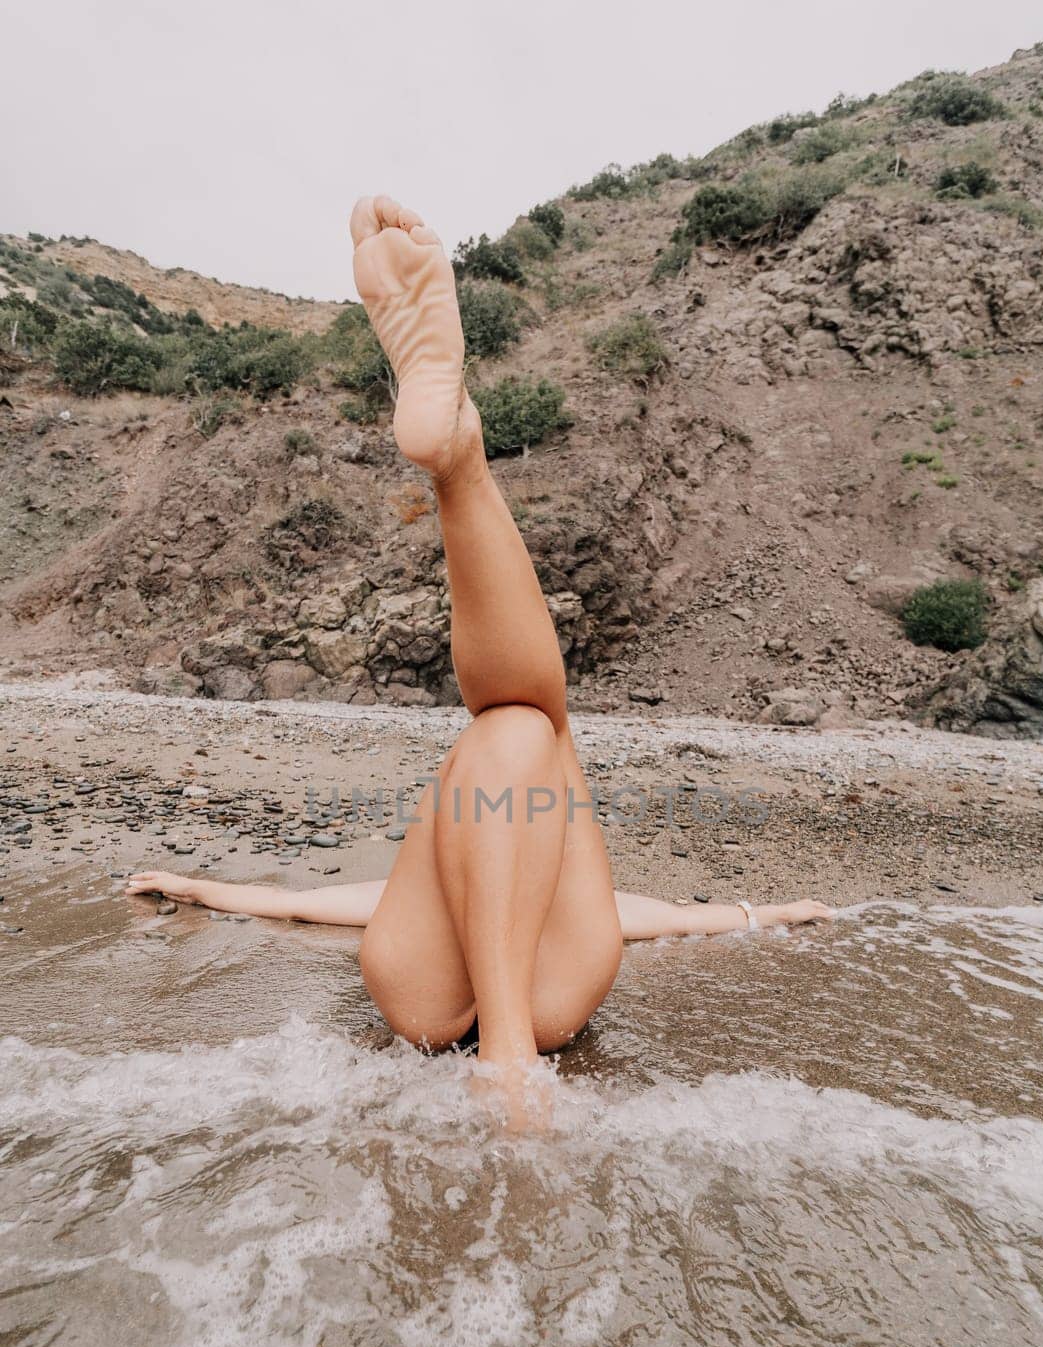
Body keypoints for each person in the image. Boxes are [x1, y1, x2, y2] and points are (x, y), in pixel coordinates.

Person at [127, 195, 831, 1120]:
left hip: (417, 1002)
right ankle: (460, 464)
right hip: (547, 1009)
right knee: (529, 729)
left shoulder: (408, 885)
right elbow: (665, 920)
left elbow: (305, 907)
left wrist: (195, 889)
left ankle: (460, 463)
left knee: (511, 731)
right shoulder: (581, 883)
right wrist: (761, 916)